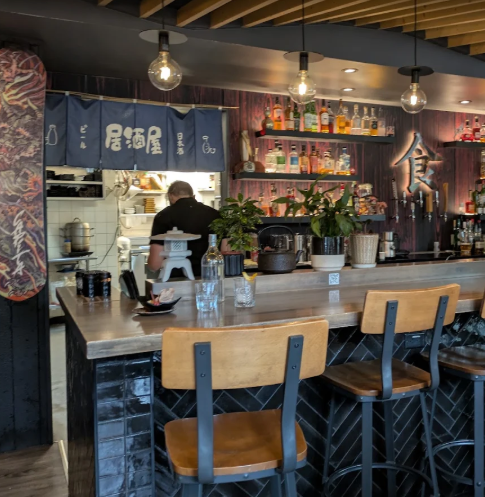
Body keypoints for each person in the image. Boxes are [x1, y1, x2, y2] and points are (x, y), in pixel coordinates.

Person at [148, 181, 220, 277]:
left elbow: (155, 264)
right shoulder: (214, 214)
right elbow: (225, 251)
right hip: (211, 277)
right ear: (193, 196)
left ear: (170, 196)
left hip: (175, 280)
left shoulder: (163, 216)